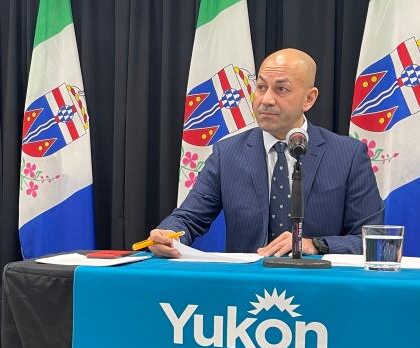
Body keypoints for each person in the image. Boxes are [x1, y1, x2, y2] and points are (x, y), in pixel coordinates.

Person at [151, 48, 384, 258]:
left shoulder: (348, 155)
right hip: (246, 291)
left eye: (281, 89)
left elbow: (370, 240)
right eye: (261, 87)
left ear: (309, 98)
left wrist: (315, 245)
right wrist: (168, 234)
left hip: (320, 288)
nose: (266, 99)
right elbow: (189, 217)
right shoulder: (227, 153)